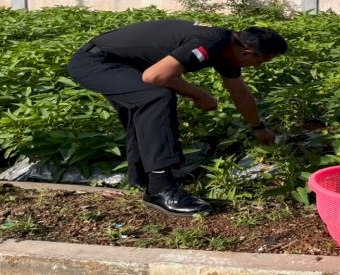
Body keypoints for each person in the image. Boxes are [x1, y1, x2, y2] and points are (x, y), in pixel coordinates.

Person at [67, 19, 288, 216]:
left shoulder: (229, 48)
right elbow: (155, 76)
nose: (257, 67)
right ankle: (161, 189)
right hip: (97, 63)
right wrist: (199, 94)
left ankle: (142, 179)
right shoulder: (211, 42)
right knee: (156, 97)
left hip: (120, 63)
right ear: (248, 53)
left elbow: (240, 93)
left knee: (144, 107)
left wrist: (258, 127)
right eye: (260, 62)